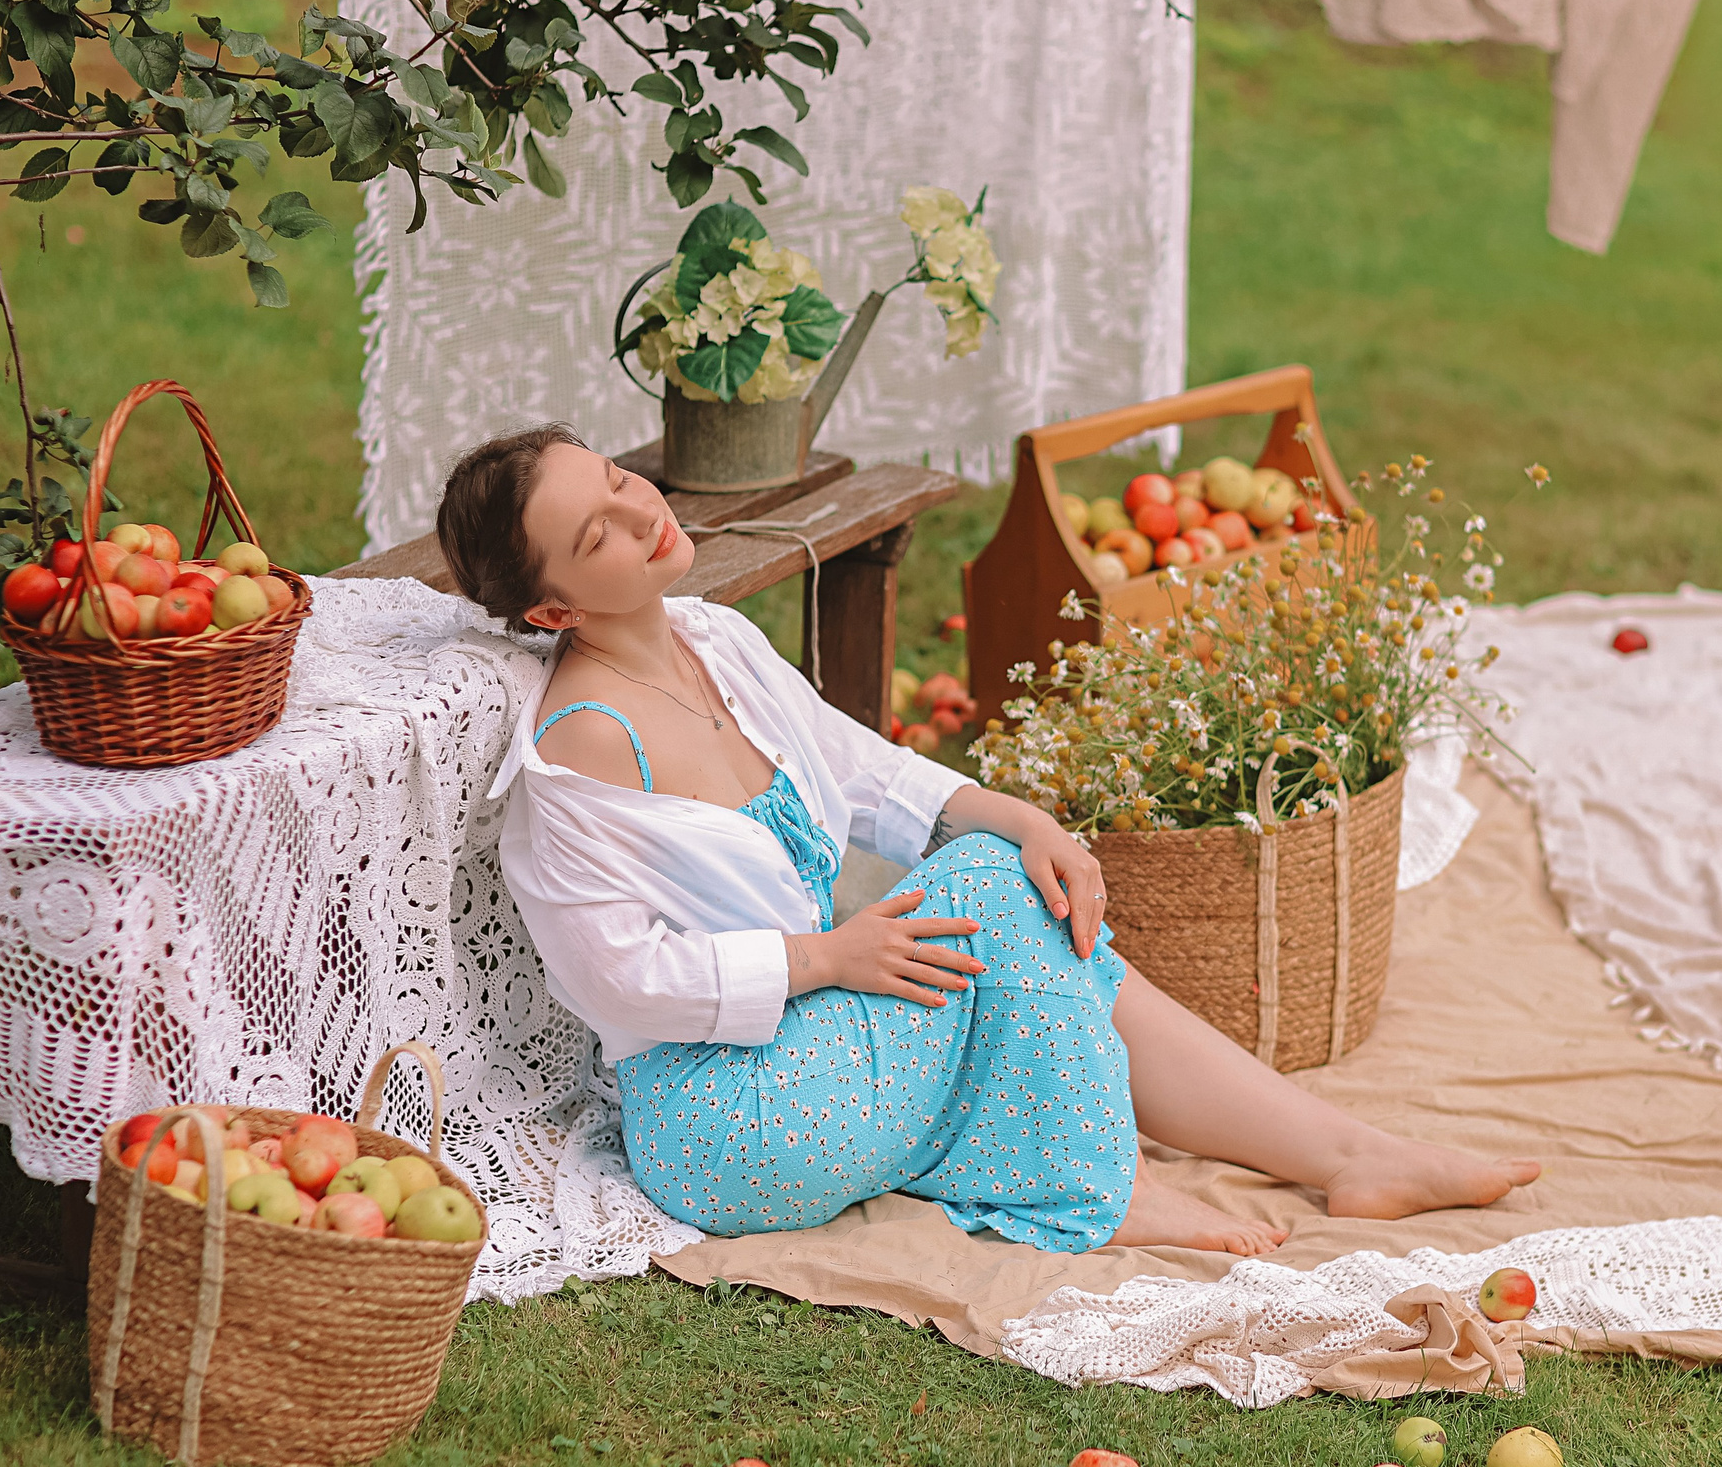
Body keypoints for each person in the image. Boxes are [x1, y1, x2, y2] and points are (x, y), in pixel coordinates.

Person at [441, 426, 1539, 1255]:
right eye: (598, 534)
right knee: (997, 898)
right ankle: (1110, 1187)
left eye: (621, 484)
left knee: (1010, 874)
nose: (640, 517)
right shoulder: (581, 746)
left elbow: (861, 772)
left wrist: (1022, 815)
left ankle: (1344, 1157)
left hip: (808, 1039)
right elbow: (616, 981)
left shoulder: (712, 640)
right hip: (730, 1123)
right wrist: (824, 957)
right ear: (552, 610)